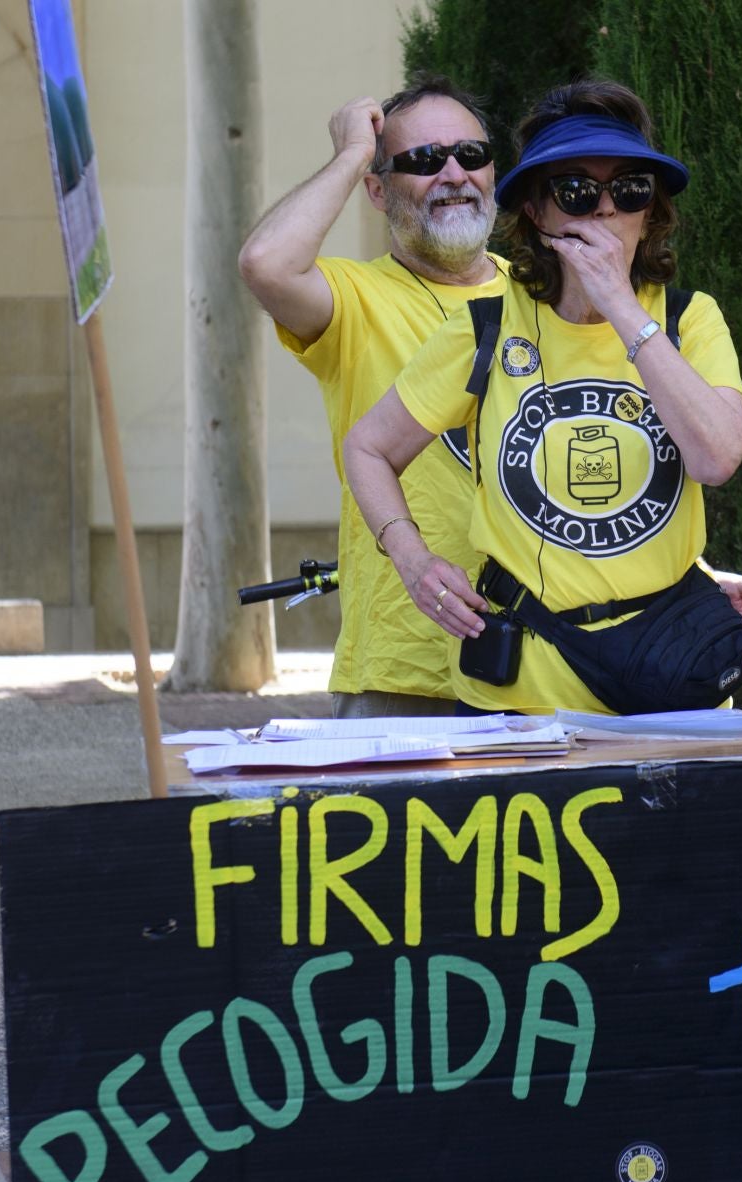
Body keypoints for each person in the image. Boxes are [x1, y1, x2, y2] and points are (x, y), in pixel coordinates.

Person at [344, 78, 742, 719]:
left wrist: (622, 310)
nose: (603, 210)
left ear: (650, 214)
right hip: (522, 697)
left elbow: (718, 458)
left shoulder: (689, 320)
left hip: (665, 681)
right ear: (539, 215)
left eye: (629, 191)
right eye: (576, 191)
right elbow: (368, 447)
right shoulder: (486, 325)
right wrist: (410, 558)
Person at [240, 75, 509, 718]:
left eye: (470, 155)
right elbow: (265, 264)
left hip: (548, 666)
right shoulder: (355, 297)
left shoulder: (544, 294)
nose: (453, 174)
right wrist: (351, 154)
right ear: (377, 190)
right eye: (421, 161)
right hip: (404, 678)